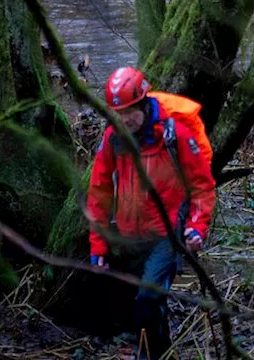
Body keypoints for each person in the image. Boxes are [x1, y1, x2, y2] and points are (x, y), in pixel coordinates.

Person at [86, 67, 217, 359]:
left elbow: (202, 186)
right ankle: (160, 348)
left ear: (144, 103)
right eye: (118, 112)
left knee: (147, 298)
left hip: (166, 234)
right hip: (129, 234)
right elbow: (99, 193)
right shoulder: (112, 139)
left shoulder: (175, 134)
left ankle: (149, 356)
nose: (124, 119)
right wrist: (98, 246)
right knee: (142, 302)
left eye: (130, 111)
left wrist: (197, 226)